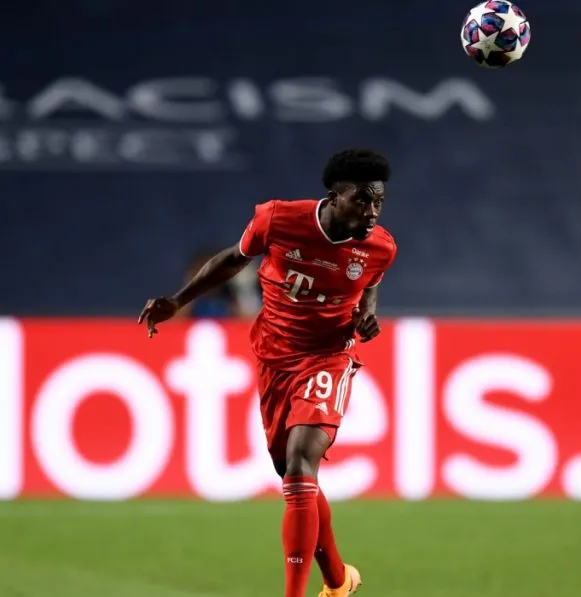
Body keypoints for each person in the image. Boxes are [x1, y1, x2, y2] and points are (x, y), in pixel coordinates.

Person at [139, 148, 397, 597]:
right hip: (274, 355)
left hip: (328, 356)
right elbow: (233, 259)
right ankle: (338, 580)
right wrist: (178, 301)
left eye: (379, 201)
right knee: (292, 473)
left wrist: (364, 317)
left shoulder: (381, 246)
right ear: (335, 196)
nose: (372, 211)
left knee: (300, 462)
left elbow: (368, 286)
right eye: (362, 199)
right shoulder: (278, 219)